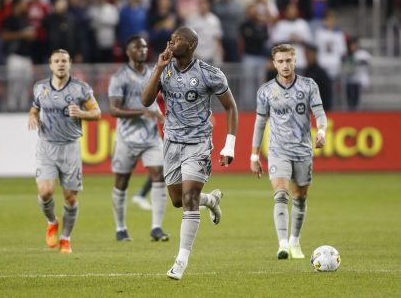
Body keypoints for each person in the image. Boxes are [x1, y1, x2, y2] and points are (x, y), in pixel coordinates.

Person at [142, 26, 239, 280]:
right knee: (178, 199)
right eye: (171, 39)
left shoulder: (210, 74)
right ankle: (211, 201)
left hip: (198, 143)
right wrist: (158, 68)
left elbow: (230, 108)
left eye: (178, 39)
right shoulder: (165, 70)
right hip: (172, 142)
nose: (171, 42)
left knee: (189, 199)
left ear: (192, 45)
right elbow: (144, 100)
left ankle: (181, 261)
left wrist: (229, 145)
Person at [250, 44, 327, 260]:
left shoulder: (308, 85)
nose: (285, 65)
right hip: (277, 150)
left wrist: (321, 131)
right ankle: (282, 243)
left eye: (288, 61)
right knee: (281, 194)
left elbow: (319, 113)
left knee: (300, 197)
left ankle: (295, 240)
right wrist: (254, 156)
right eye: (280, 61)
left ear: (295, 61)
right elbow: (259, 123)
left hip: (303, 150)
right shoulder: (265, 90)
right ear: (274, 63)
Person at [28, 49, 101, 254]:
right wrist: (33, 116)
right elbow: (35, 107)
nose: (61, 64)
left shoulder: (81, 89)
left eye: (64, 61)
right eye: (57, 61)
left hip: (70, 148)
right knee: (45, 192)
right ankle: (52, 222)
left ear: (70, 65)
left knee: (70, 198)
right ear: (50, 65)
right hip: (47, 147)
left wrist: (82, 113)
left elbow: (97, 113)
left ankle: (66, 238)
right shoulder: (40, 87)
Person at [108, 35, 169, 242]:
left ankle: (156, 228)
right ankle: (120, 228)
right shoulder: (120, 77)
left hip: (151, 137)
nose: (142, 50)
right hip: (126, 137)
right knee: (122, 181)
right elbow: (114, 109)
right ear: (128, 52)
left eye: (144, 47)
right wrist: (143, 113)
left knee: (159, 174)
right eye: (137, 47)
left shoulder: (155, 72)